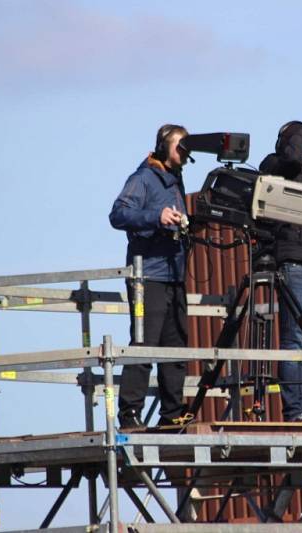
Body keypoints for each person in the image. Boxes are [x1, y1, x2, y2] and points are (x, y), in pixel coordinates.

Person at [109, 124, 191, 429]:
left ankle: (172, 414)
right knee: (144, 344)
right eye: (179, 146)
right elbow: (118, 214)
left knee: (175, 346)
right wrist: (155, 217)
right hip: (148, 277)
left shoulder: (175, 180)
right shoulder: (143, 178)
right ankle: (129, 413)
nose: (184, 152)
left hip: (174, 275)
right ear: (162, 147)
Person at [259, 121, 302, 423]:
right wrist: (298, 138)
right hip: (294, 264)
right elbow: (285, 159)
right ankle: (294, 411)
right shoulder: (277, 167)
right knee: (294, 341)